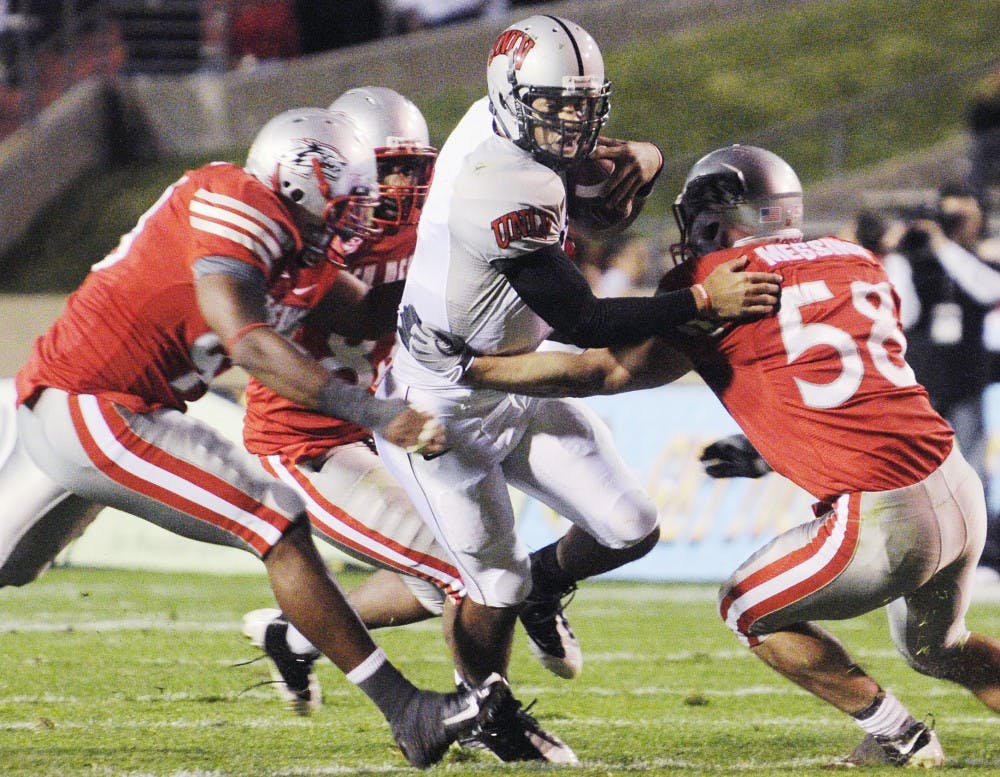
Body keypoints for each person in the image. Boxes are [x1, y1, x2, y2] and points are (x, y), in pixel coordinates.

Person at [399, 143, 1000, 767]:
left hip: (884, 513)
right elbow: (850, 379)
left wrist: (474, 368)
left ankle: (900, 736)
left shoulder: (722, 284)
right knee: (938, 648)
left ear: (719, 218)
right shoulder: (857, 260)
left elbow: (602, 373)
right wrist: (768, 449)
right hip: (956, 485)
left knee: (746, 607)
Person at [0, 106, 502, 769]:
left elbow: (370, 309)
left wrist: (481, 265)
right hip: (97, 402)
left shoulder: (301, 251)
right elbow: (247, 338)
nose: (362, 210)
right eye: (352, 194)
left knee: (13, 564)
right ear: (305, 179)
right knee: (276, 519)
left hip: (85, 405)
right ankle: (407, 711)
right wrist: (376, 413)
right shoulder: (239, 200)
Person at [383, 15, 781, 763]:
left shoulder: (505, 129)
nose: (572, 122)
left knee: (630, 525)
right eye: (555, 105)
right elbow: (587, 316)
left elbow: (599, 196)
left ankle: (544, 587)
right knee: (489, 583)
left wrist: (650, 155)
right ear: (513, 96)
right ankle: (489, 712)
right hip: (441, 398)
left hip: (514, 376)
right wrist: (703, 303)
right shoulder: (494, 180)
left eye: (582, 103)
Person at [235, 87, 581, 724]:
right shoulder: (316, 243)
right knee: (469, 569)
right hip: (314, 438)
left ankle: (295, 636)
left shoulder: (436, 224)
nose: (401, 185)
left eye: (413, 169)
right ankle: (484, 715)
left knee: (440, 578)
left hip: (387, 429)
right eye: (386, 168)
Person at [886, 185, 1000, 574]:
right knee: (917, 472)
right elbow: (903, 313)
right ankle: (920, 554)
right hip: (922, 384)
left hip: (967, 380)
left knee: (971, 470)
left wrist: (946, 248)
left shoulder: (971, 259)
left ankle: (979, 557)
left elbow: (990, 290)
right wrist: (903, 252)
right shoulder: (910, 261)